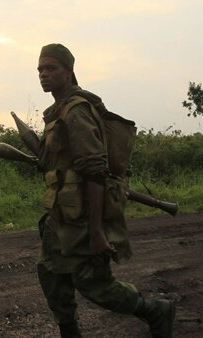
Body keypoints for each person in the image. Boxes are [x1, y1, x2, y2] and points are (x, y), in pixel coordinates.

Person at [35, 43, 175, 338]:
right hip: (60, 216)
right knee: (52, 274)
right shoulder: (57, 112)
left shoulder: (77, 111)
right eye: (40, 69)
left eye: (51, 68)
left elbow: (95, 172)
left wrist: (97, 230)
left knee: (95, 285)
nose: (43, 74)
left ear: (69, 72)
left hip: (84, 217)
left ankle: (155, 311)